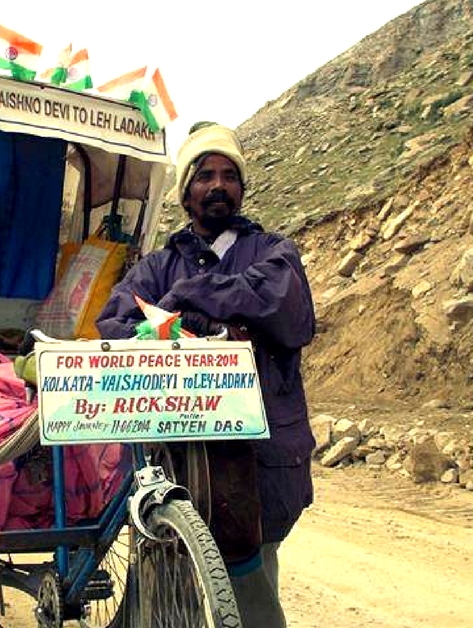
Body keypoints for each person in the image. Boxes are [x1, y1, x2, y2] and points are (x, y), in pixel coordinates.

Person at [95, 122, 316, 627]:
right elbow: (117, 322)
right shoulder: (156, 265)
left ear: (241, 188)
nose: (219, 185)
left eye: (229, 175)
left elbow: (286, 310)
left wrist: (189, 298)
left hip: (260, 458)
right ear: (186, 192)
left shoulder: (273, 252)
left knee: (250, 587)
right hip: (177, 456)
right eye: (205, 175)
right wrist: (196, 321)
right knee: (168, 584)